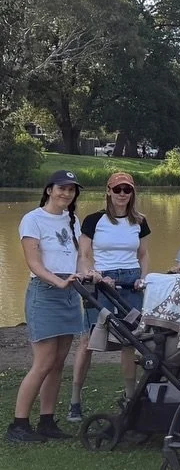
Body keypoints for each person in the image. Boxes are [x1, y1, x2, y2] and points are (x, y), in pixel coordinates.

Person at [9, 171, 88, 444]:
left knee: (58, 363)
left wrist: (83, 274)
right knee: (42, 363)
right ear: (49, 190)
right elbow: (34, 262)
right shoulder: (32, 220)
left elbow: (79, 257)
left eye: (71, 190)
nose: (66, 194)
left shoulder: (73, 220)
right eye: (62, 188)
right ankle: (18, 425)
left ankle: (47, 421)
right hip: (45, 293)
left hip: (69, 293)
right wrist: (58, 281)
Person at [71, 171, 151, 416]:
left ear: (132, 193)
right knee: (89, 341)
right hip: (102, 281)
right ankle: (75, 400)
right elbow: (83, 256)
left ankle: (130, 398)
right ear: (108, 191)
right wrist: (93, 273)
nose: (122, 194)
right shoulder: (94, 220)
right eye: (117, 190)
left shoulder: (139, 220)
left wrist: (143, 278)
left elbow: (143, 254)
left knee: (130, 341)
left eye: (127, 190)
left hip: (130, 283)